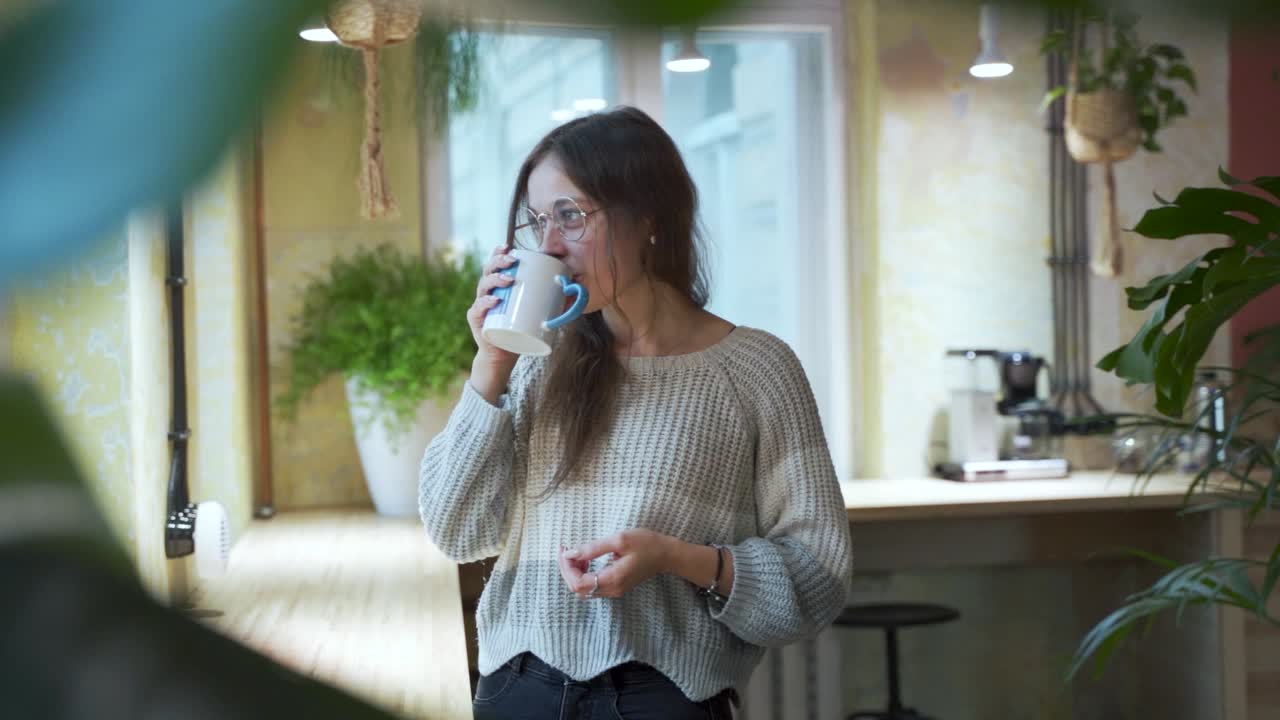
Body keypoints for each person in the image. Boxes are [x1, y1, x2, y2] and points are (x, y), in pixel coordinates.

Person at [419, 105, 853, 720]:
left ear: (647, 217)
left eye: (570, 216)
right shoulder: (539, 362)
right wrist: (490, 365)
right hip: (518, 688)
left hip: (663, 697)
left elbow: (818, 580)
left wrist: (679, 558)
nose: (550, 246)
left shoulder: (756, 370)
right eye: (537, 221)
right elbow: (455, 531)